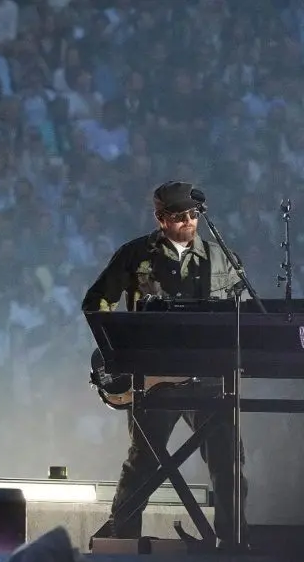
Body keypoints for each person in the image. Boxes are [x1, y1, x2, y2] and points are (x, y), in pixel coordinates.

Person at [82, 180, 248, 549]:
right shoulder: (135, 255)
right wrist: (118, 351)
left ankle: (234, 542)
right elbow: (97, 303)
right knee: (144, 462)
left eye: (194, 215)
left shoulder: (222, 257)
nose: (189, 221)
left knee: (227, 462)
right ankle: (122, 540)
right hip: (152, 379)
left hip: (210, 379)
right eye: (179, 216)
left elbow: (244, 311)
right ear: (160, 218)